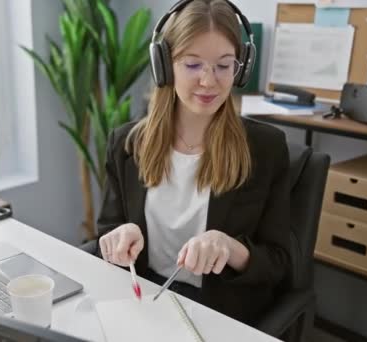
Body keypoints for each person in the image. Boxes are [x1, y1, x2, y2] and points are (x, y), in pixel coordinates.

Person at [96, 0, 291, 325]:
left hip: (220, 313)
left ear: (239, 70)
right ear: (164, 65)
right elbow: (107, 230)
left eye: (223, 66)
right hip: (143, 301)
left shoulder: (266, 148)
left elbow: (280, 262)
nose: (209, 81)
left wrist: (229, 248)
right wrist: (121, 233)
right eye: (193, 65)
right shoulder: (126, 144)